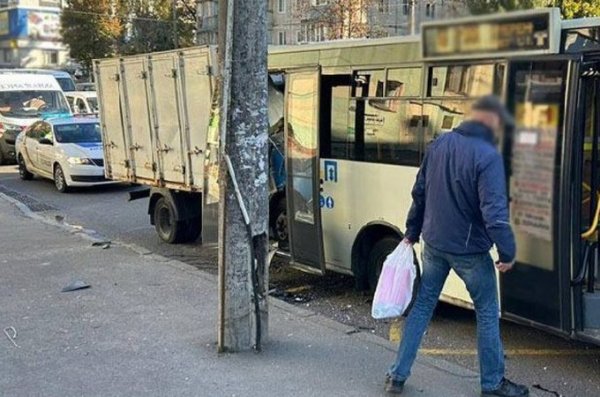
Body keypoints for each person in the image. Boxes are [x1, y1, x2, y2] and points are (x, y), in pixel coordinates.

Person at [385, 96, 529, 397]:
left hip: (434, 243)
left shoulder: (439, 145)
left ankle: (396, 377)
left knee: (423, 305)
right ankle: (493, 384)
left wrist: (412, 232)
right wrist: (508, 253)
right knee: (487, 311)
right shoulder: (488, 156)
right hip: (470, 252)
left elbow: (419, 193)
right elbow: (495, 216)